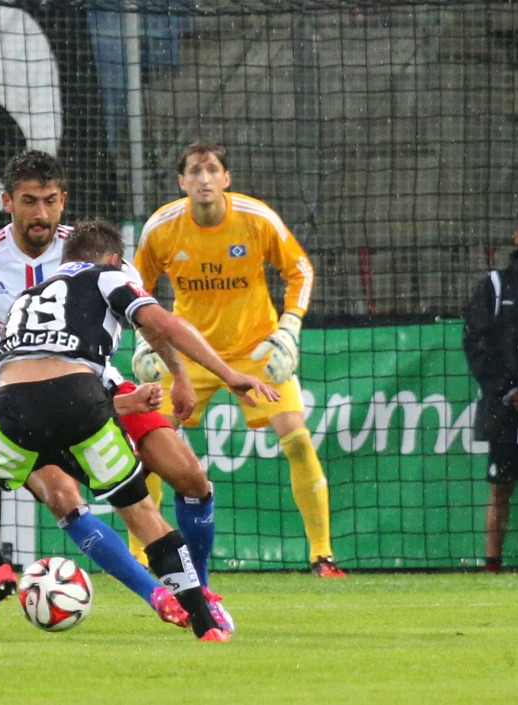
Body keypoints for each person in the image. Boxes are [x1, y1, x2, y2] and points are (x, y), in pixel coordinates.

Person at [0, 150, 234, 631]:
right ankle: (163, 595)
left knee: (191, 477)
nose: (41, 214)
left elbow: (148, 320)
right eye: (29, 202)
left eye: (50, 202)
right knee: (68, 498)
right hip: (33, 401)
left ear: (63, 201)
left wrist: (176, 375)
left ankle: (198, 585)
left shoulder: (89, 248)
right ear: (7, 202)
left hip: (95, 389)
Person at [0, 217, 277, 640]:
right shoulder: (106, 277)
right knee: (142, 514)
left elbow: (40, 378)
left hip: (12, 407)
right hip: (82, 400)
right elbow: (165, 324)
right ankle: (205, 622)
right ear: (115, 261)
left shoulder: (25, 299)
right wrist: (228, 374)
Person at [133, 141, 345, 577]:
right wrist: (144, 338)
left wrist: (289, 329)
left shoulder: (256, 218)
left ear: (226, 179)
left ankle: (322, 555)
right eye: (194, 171)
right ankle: (140, 555)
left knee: (299, 441)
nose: (204, 179)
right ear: (181, 182)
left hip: (255, 351)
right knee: (149, 445)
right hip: (189, 354)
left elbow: (300, 270)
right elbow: (135, 285)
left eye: (212, 170)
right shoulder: (161, 229)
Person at [462, 202, 518, 573]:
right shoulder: (495, 285)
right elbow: (476, 342)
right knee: (500, 488)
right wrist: (507, 391)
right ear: (516, 237)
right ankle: (492, 565)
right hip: (502, 411)